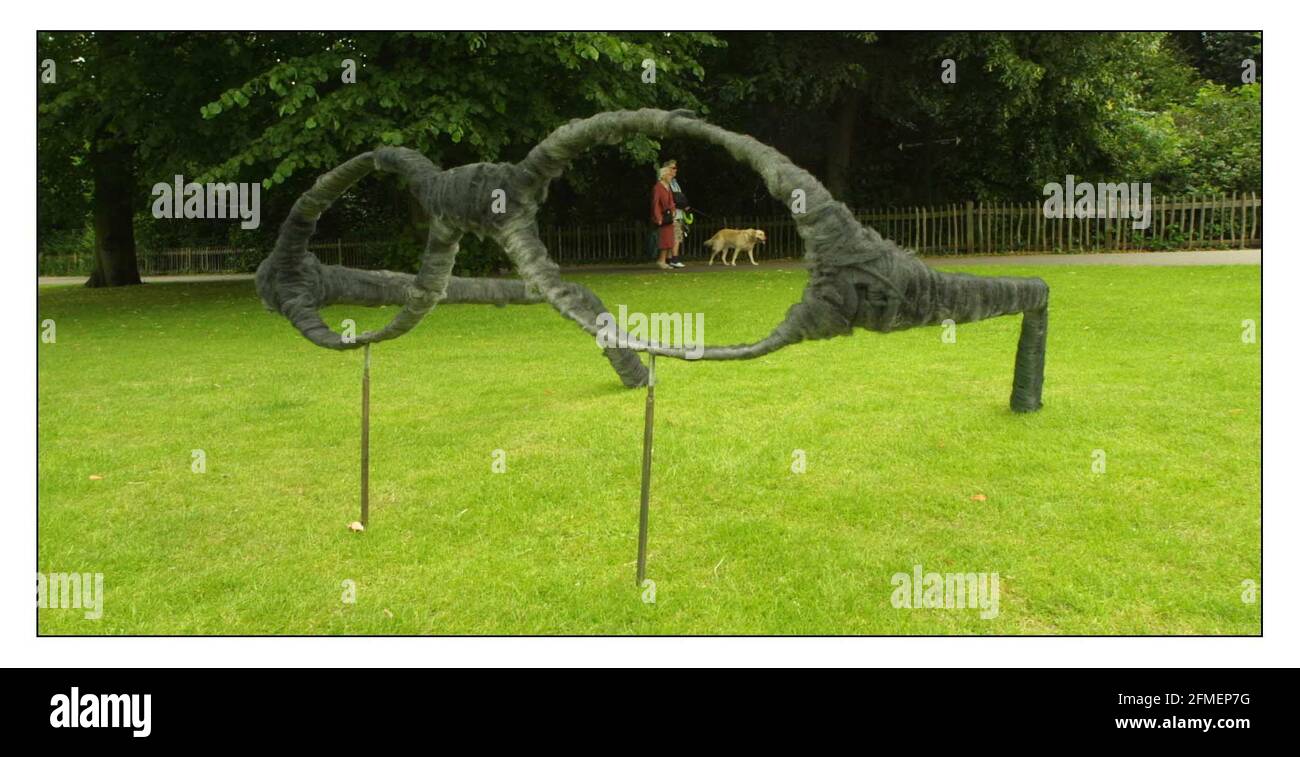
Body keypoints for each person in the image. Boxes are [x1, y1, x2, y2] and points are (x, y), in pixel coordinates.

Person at [651, 162, 680, 270]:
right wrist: (658, 217)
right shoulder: (658, 187)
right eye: (669, 174)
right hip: (663, 217)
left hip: (669, 217)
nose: (671, 176)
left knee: (669, 239)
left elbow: (671, 201)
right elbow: (655, 203)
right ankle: (661, 260)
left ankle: (664, 261)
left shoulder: (667, 187)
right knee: (664, 240)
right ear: (663, 175)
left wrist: (673, 211)